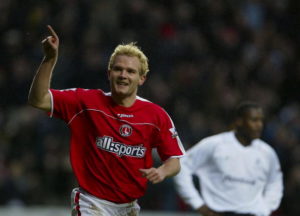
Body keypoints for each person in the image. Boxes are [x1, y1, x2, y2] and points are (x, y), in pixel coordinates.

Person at [28, 25, 185, 216]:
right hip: (91, 203)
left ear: (142, 78)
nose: (123, 75)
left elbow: (174, 161)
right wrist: (49, 59)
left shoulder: (156, 115)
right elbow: (39, 99)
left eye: (130, 71)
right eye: (118, 69)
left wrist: (162, 171)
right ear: (108, 73)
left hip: (129, 208)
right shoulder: (86, 102)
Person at [174, 102, 283, 216]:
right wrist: (198, 204)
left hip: (253, 213)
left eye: (261, 120)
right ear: (239, 121)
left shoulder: (267, 152)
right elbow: (181, 166)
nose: (259, 125)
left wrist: (266, 209)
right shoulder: (215, 144)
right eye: (254, 120)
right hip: (219, 212)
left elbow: (275, 182)